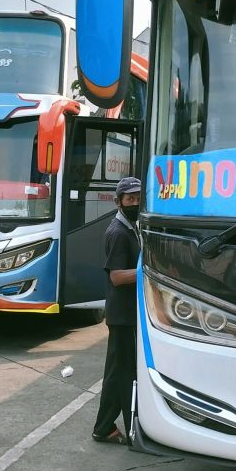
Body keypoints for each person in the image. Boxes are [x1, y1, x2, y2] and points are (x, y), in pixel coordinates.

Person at [92, 176, 142, 445]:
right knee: (125, 375)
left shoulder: (132, 227)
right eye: (130, 199)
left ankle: (103, 427)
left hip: (127, 314)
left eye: (138, 198)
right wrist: (146, 270)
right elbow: (117, 277)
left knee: (116, 372)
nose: (135, 203)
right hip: (122, 316)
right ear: (118, 201)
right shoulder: (118, 232)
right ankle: (133, 430)